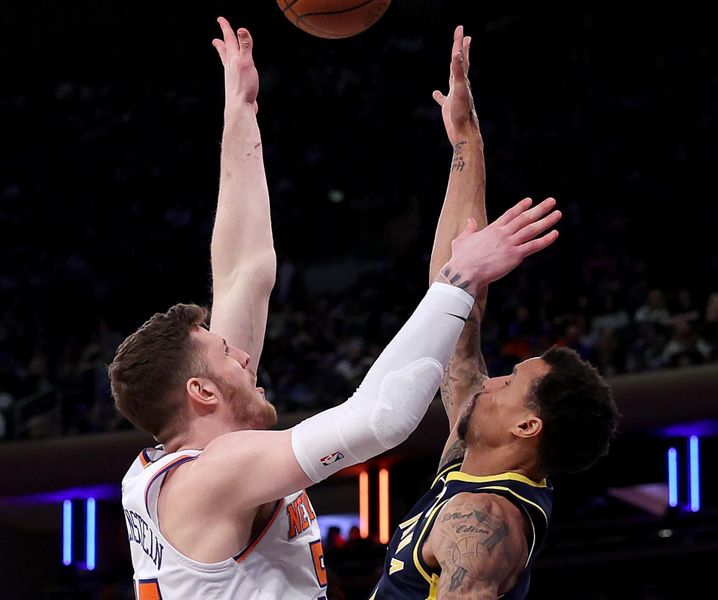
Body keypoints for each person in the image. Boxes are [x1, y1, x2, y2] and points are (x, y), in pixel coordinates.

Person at [111, 19, 564, 600]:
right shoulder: (212, 476)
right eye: (227, 353)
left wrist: (241, 114)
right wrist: (458, 280)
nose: (245, 352)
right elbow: (378, 419)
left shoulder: (183, 465)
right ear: (201, 392)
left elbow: (244, 270)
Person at [370, 26, 620, 599]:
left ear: (527, 425)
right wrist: (466, 141)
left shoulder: (486, 520)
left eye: (511, 380)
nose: (492, 379)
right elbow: (458, 324)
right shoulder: (469, 468)